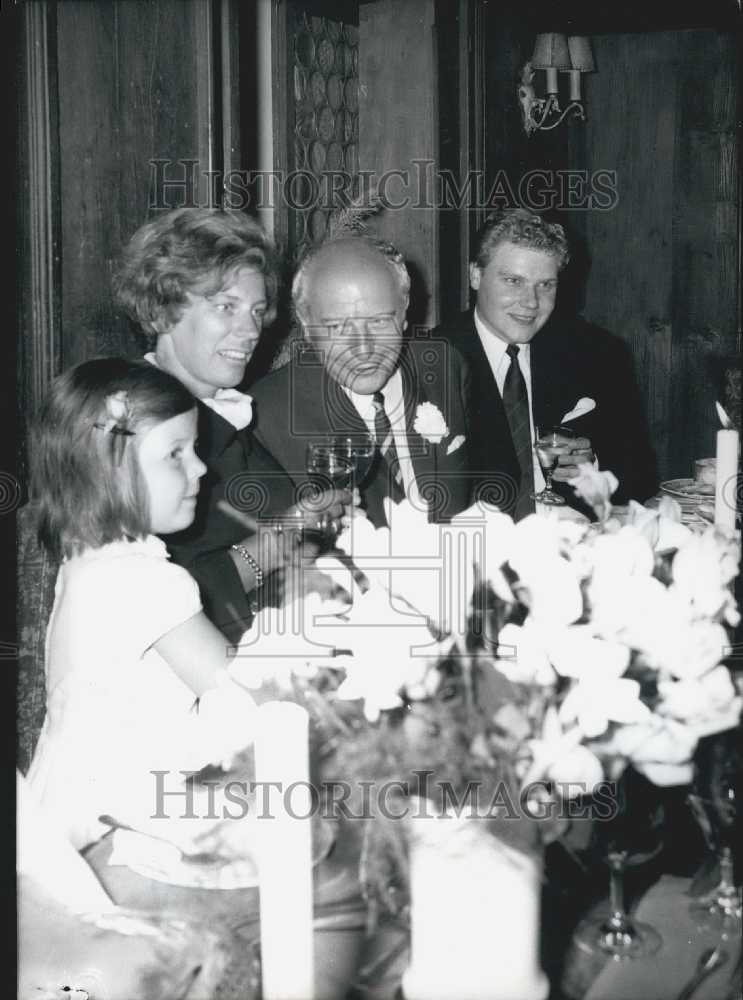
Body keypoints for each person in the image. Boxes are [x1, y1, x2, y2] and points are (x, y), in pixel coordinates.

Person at [26, 359, 260, 852]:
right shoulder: (147, 581)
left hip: (69, 805)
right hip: (112, 830)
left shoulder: (91, 559)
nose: (200, 468)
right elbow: (245, 705)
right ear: (108, 470)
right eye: (175, 454)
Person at [114, 208, 348, 642]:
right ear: (163, 310)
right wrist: (270, 549)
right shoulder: (128, 426)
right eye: (227, 307)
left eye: (257, 311)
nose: (250, 330)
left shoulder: (231, 414)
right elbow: (137, 603)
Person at [431, 208, 657, 518]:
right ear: (475, 275)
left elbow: (642, 474)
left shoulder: (598, 352)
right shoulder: (431, 360)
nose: (531, 302)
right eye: (513, 281)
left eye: (545, 285)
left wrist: (593, 464)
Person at [250, 234, 472, 526]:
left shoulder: (445, 365)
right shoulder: (265, 415)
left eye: (379, 321)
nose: (364, 348)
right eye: (338, 327)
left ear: (405, 312)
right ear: (307, 328)